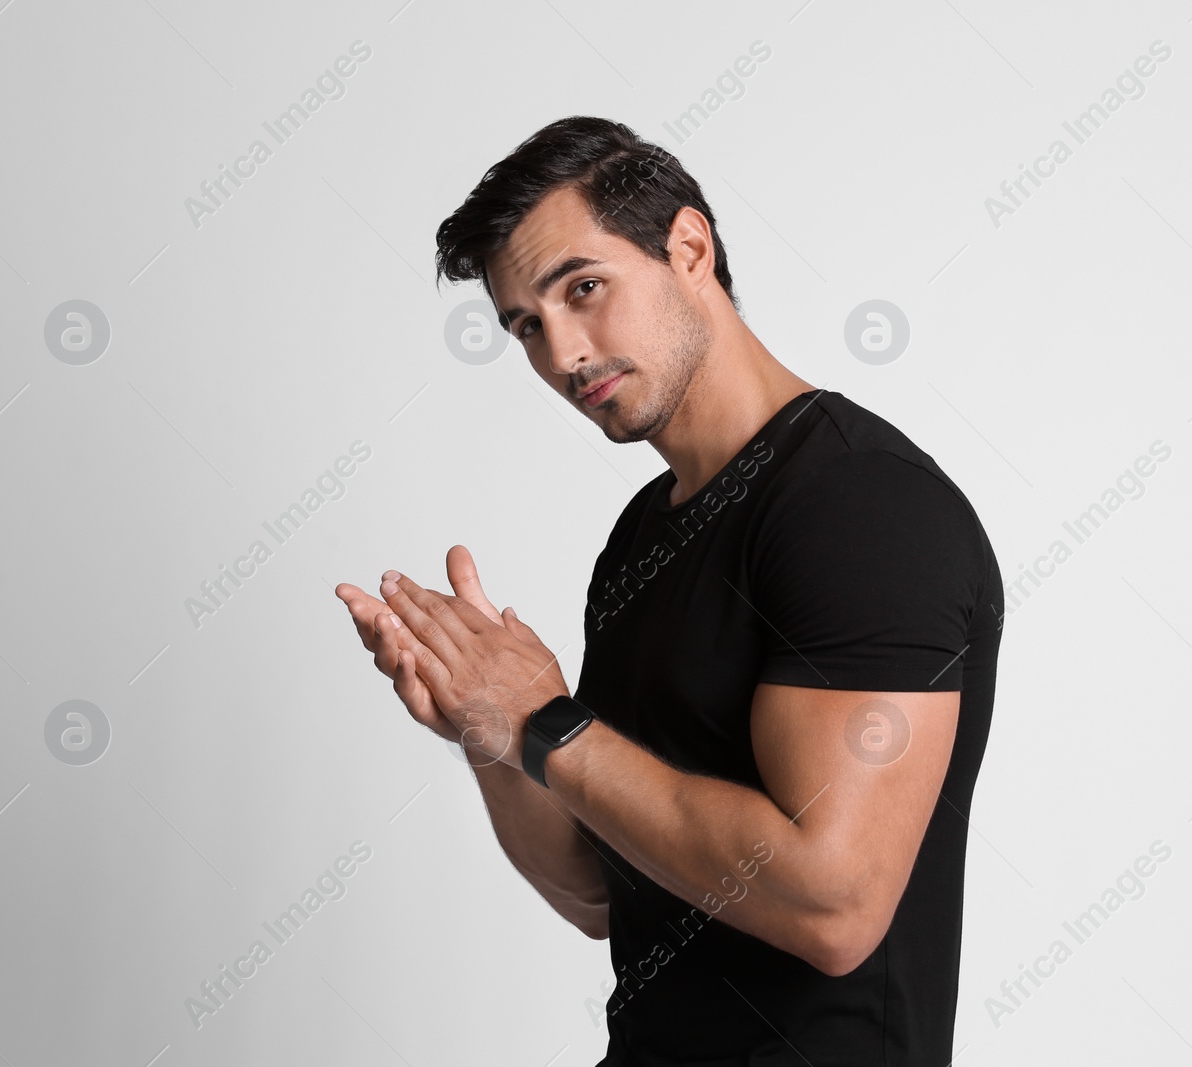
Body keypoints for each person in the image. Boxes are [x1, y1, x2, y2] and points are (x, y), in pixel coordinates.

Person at [335, 116, 1004, 1066]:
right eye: (528, 324)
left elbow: (834, 903)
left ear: (689, 248)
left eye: (584, 288)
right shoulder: (644, 536)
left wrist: (548, 721)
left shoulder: (861, 506)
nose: (562, 352)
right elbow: (599, 893)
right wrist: (493, 733)